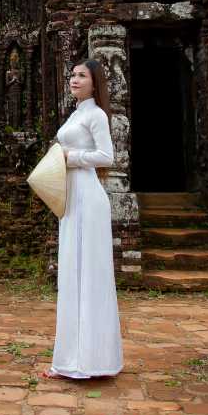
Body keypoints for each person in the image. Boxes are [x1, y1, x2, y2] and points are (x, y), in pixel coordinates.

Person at [44, 58, 123, 380]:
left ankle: (93, 360)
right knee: (72, 274)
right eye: (73, 75)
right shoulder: (76, 114)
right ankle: (69, 359)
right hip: (70, 197)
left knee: (90, 275)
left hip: (88, 199)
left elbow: (107, 157)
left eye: (82, 76)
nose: (74, 80)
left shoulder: (96, 115)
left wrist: (70, 156)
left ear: (94, 82)